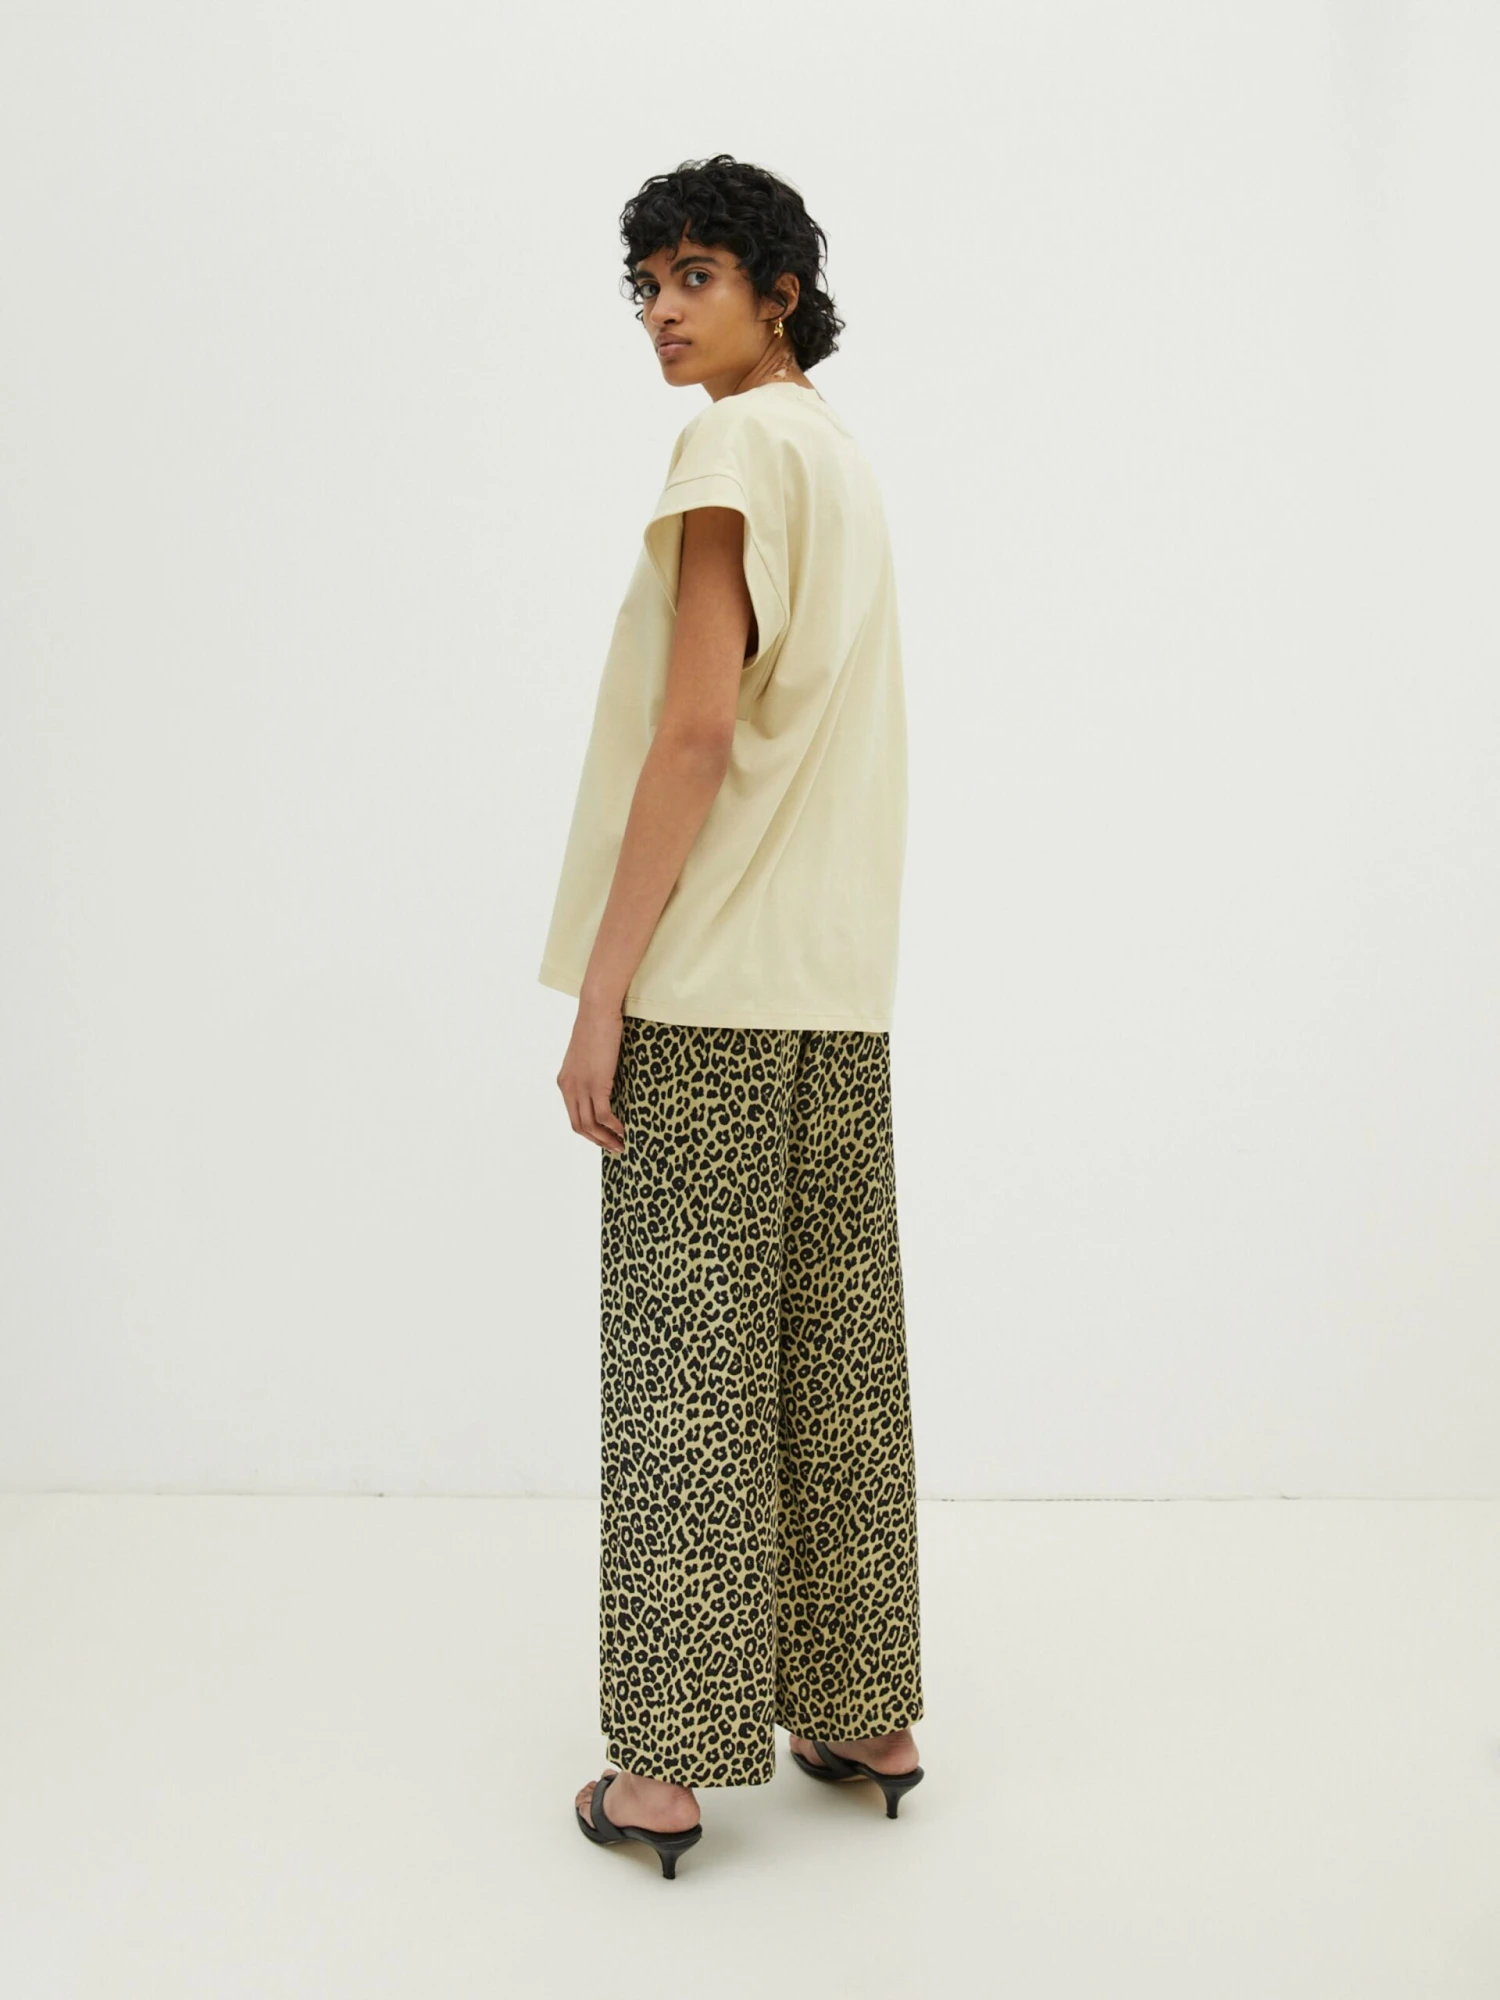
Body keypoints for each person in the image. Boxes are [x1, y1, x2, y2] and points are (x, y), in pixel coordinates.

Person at [537, 154, 924, 1878]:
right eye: (645, 283)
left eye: (696, 274)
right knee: (833, 1361)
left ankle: (664, 1771)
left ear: (782, 290)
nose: (661, 311)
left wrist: (604, 987)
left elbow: (695, 731)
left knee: (685, 1378)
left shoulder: (729, 453)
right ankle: (864, 1711)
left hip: (710, 988)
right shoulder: (838, 456)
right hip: (833, 988)